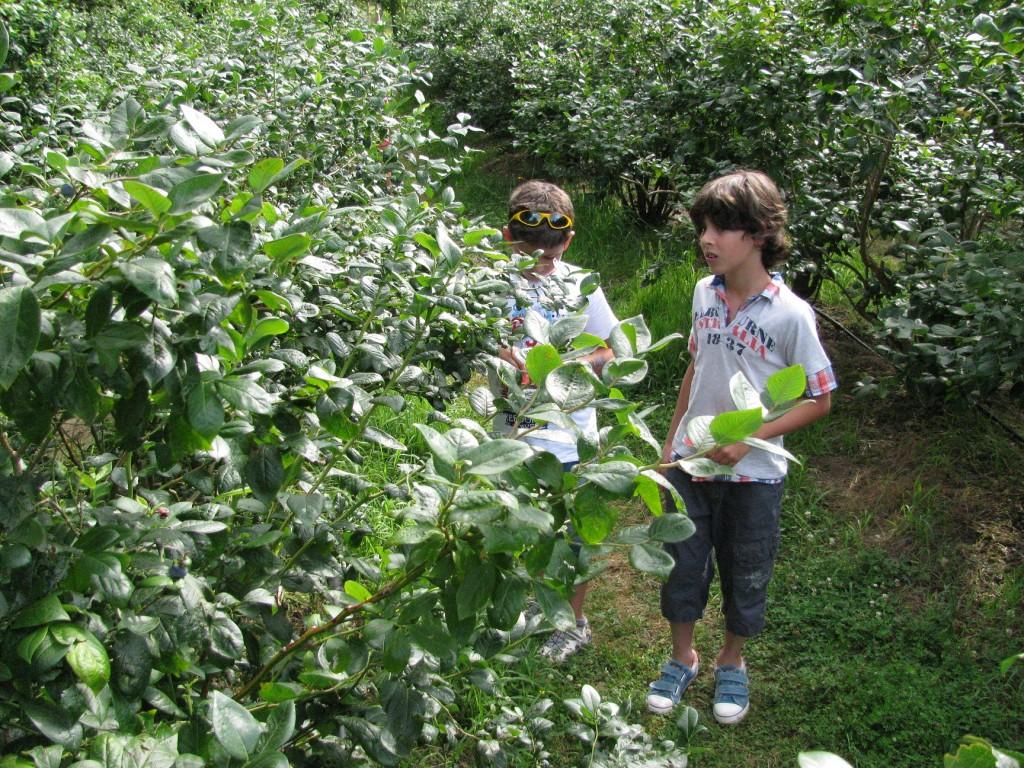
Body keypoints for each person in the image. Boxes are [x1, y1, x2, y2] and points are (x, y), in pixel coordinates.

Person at [647, 170, 837, 724]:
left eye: (721, 228)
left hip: (754, 474)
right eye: (703, 226)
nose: (707, 239)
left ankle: (733, 662)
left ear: (758, 233)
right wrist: (672, 440)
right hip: (689, 463)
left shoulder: (790, 315)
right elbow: (696, 366)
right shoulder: (703, 292)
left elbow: (819, 399)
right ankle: (682, 655)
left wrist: (749, 437)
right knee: (682, 563)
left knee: (745, 567)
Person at [494, 179, 618, 662]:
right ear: (507, 236)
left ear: (567, 242)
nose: (539, 260)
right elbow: (477, 338)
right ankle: (536, 601)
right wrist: (509, 359)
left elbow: (608, 347)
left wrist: (569, 367)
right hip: (511, 432)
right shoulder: (492, 285)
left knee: (572, 532)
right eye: (528, 250)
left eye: (549, 252)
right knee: (521, 522)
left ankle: (574, 621)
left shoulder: (581, 285)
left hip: (568, 436)